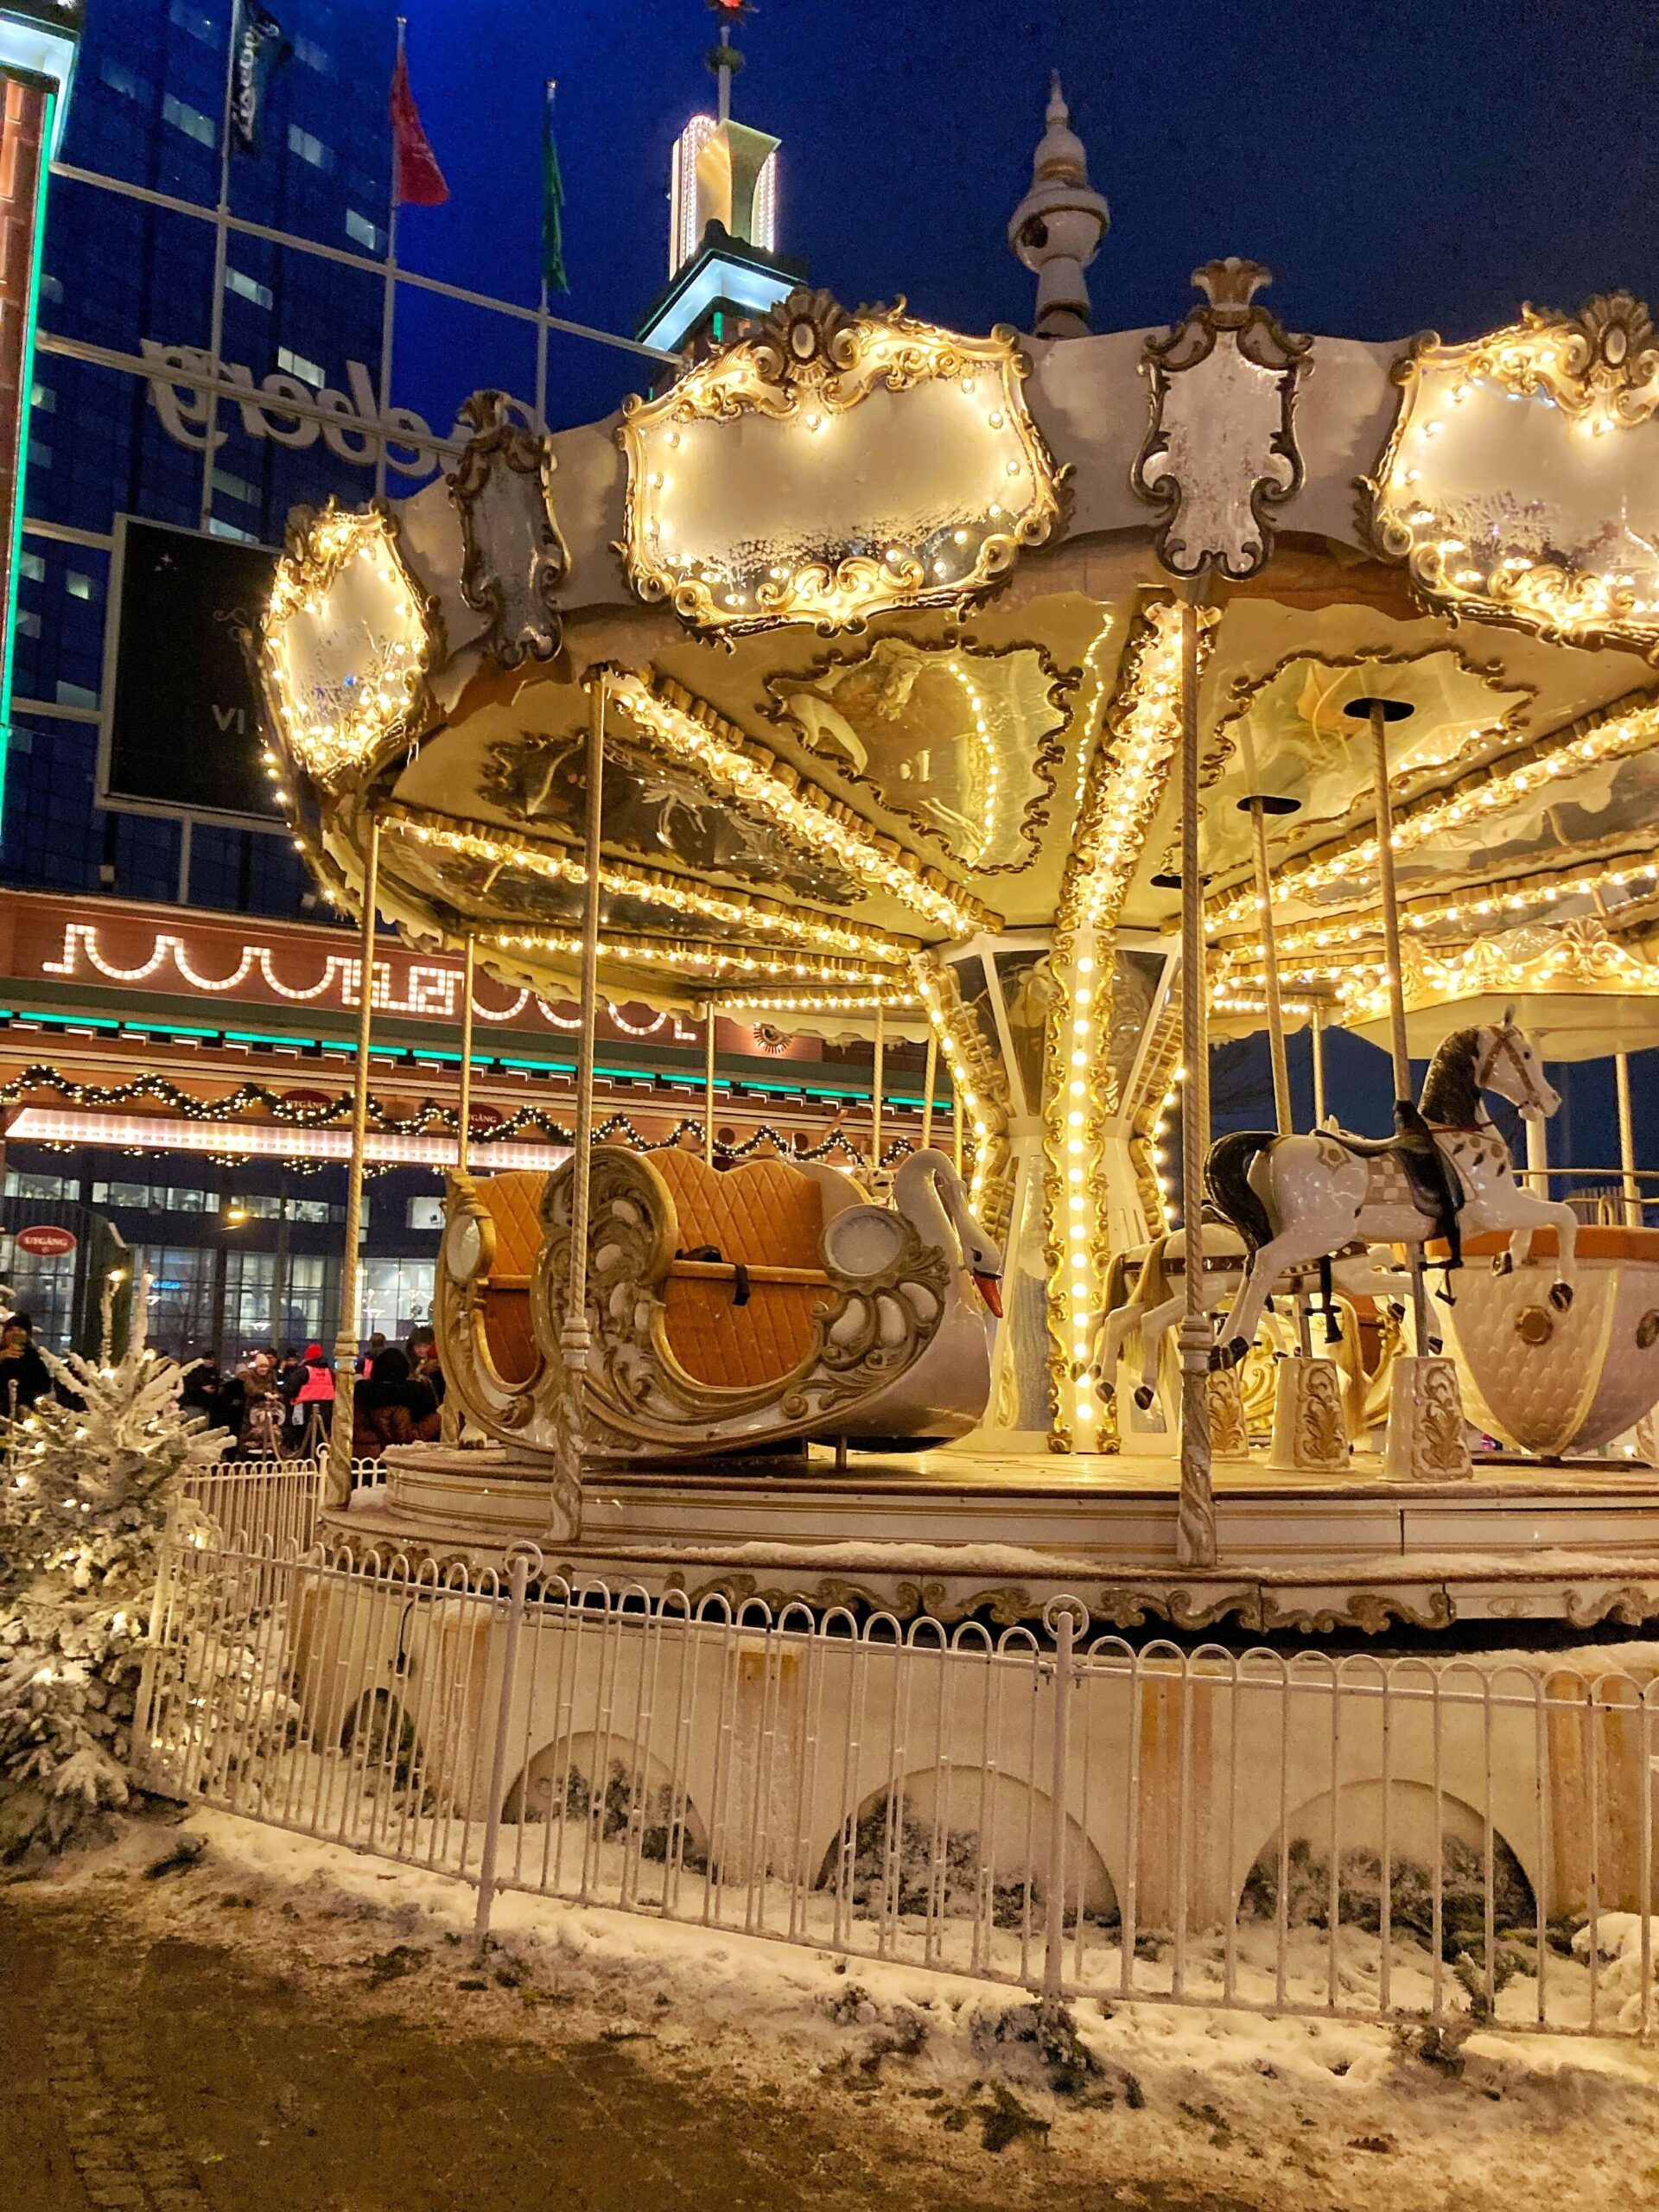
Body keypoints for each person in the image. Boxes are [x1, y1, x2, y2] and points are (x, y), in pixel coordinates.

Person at [351, 1344, 441, 1459]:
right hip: (402, 1460)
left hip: (366, 1459)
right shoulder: (415, 1397)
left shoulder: (361, 1395)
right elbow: (408, 1435)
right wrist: (437, 1419)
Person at [0, 1313, 53, 1417]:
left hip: (26, 1415)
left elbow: (45, 1386)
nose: (15, 1334)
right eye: (10, 1330)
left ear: (27, 1335)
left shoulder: (34, 1359)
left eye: (20, 1330)